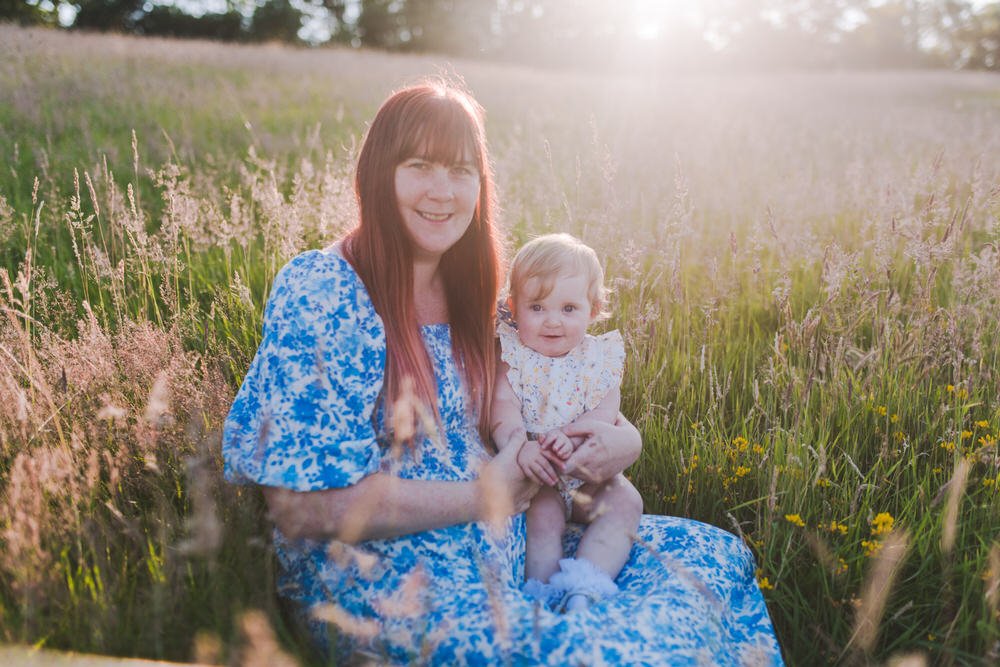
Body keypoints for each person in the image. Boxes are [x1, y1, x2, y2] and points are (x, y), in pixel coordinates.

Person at [223, 79, 784, 665]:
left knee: (711, 560)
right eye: (420, 165)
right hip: (392, 573)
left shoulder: (481, 296)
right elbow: (304, 507)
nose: (443, 192)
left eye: (461, 171)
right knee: (601, 657)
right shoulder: (324, 291)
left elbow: (561, 395)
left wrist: (615, 445)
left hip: (516, 537)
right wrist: (484, 496)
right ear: (377, 173)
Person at [491, 233, 642, 613]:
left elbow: (605, 413)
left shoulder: (599, 360)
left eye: (569, 308)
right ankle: (540, 597)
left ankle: (585, 584)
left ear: (594, 309)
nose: (553, 321)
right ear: (514, 307)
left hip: (590, 472)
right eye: (537, 307)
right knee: (542, 517)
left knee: (626, 501)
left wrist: (573, 442)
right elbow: (502, 409)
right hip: (538, 475)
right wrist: (518, 444)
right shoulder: (513, 356)